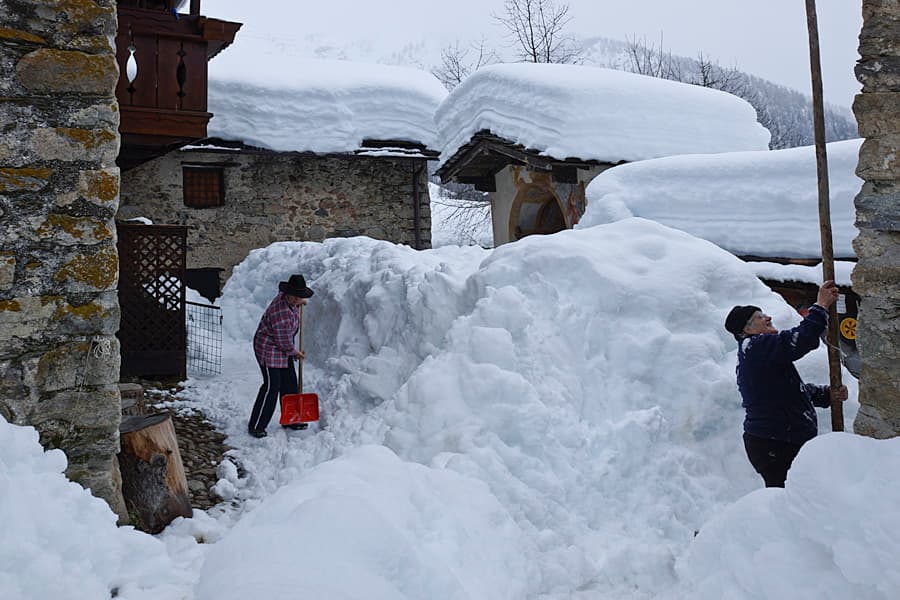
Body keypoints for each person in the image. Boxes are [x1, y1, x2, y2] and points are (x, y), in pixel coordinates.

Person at [724, 280, 848, 488]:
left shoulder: (757, 351)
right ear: (747, 329)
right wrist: (820, 306)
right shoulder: (756, 347)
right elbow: (800, 339)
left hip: (777, 442)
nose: (768, 317)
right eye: (759, 317)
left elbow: (789, 392)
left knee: (798, 496)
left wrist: (826, 395)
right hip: (775, 444)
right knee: (790, 498)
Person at [247, 274, 314, 438]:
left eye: (300, 296)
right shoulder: (281, 312)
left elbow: (284, 340)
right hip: (269, 350)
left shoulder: (290, 300)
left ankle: (290, 419)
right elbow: (282, 340)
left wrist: (298, 302)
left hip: (281, 348)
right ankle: (256, 425)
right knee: (272, 386)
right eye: (296, 296)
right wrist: (295, 353)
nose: (298, 299)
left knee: (290, 383)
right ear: (288, 293)